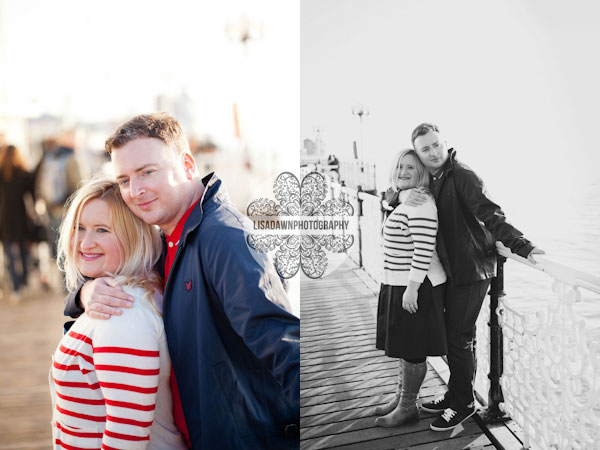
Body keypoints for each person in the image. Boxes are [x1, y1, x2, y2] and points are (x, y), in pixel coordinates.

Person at [64, 113, 300, 449]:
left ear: (188, 165)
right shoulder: (165, 241)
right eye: (125, 179)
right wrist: (85, 293)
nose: (136, 190)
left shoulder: (226, 239)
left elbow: (285, 344)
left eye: (147, 172)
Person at [411, 123, 544, 431]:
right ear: (419, 153)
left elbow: (491, 215)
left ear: (445, 143)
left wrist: (524, 247)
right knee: (453, 338)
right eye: (425, 149)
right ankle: (456, 393)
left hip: (473, 270)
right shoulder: (432, 179)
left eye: (436, 145)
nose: (433, 152)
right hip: (451, 270)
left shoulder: (462, 176)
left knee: (458, 338)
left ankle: (464, 403)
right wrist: (396, 196)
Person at [50, 177, 187, 449]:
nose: (85, 243)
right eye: (79, 227)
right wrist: (83, 294)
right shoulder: (118, 293)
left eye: (102, 230)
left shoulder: (122, 310)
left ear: (131, 235)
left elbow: (127, 432)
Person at [374, 149, 447, 427]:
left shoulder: (421, 203)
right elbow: (393, 195)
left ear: (422, 174)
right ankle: (401, 397)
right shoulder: (405, 198)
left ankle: (408, 406)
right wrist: (398, 195)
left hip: (415, 285)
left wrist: (412, 289)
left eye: (411, 169)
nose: (403, 172)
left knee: (414, 349)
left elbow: (424, 250)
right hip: (397, 281)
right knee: (405, 347)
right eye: (400, 167)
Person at [0, 145, 35, 302]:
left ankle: (15, 288)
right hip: (21, 217)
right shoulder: (24, 173)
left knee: (9, 254)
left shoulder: (1, 173)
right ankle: (25, 282)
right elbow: (32, 197)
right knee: (23, 252)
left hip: (4, 218)